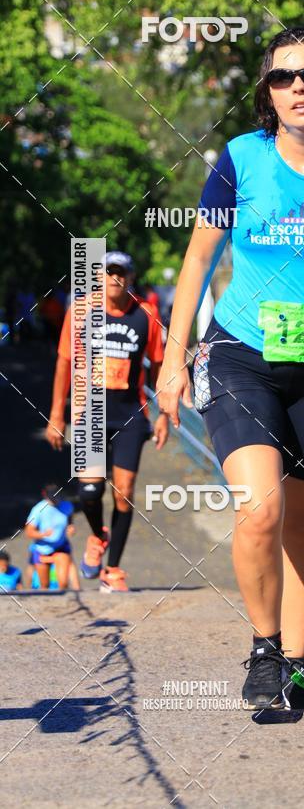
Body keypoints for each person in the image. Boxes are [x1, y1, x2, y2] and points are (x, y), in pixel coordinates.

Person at [157, 26, 304, 710]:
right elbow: (198, 262)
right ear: (267, 94)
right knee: (260, 510)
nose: (299, 87)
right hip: (242, 356)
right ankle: (264, 651)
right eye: (282, 78)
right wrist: (174, 362)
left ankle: (298, 664)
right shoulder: (241, 160)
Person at [45, 251, 169, 592]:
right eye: (109, 272)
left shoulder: (146, 314)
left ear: (130, 278)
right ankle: (99, 535)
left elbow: (158, 367)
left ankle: (112, 569)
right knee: (89, 490)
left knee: (124, 494)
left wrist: (163, 415)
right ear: (99, 276)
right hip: (90, 412)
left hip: (131, 413)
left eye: (122, 273)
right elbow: (63, 363)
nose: (115, 279)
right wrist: (57, 414)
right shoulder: (82, 311)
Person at [24, 484, 76, 590]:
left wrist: (70, 527)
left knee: (63, 583)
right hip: (42, 548)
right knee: (44, 585)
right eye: (52, 498)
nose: (55, 500)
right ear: (45, 496)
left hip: (60, 546)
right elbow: (28, 532)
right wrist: (43, 534)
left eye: (57, 497)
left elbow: (69, 520)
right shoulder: (38, 509)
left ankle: (64, 604)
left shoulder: (67, 506)